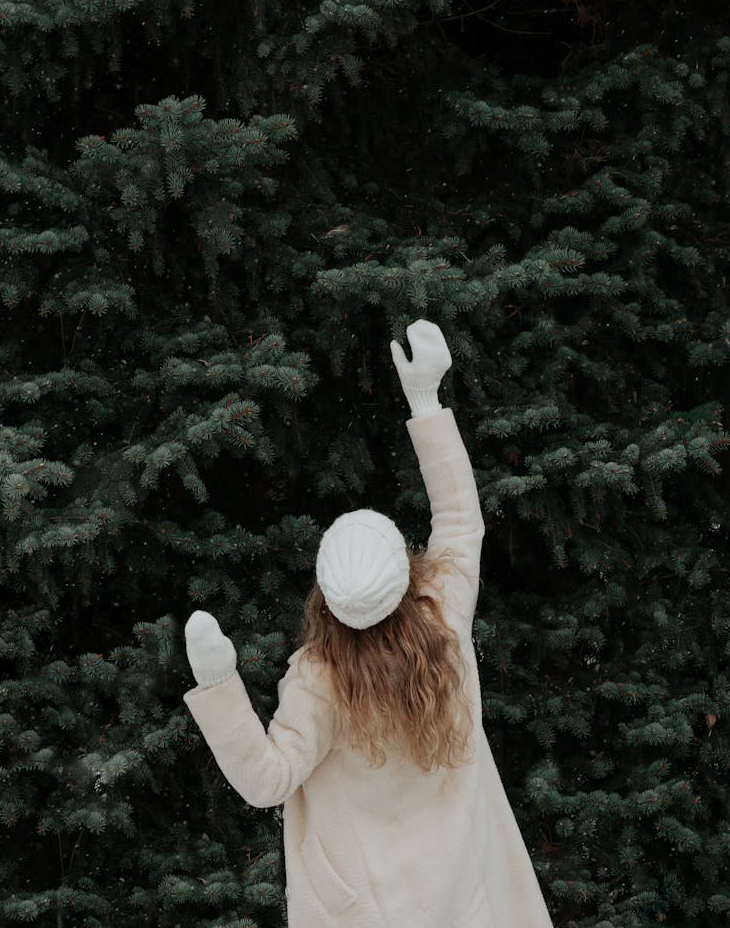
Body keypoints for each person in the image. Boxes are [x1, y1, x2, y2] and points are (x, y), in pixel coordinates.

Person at [183, 319, 554, 927]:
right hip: (464, 896)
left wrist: (221, 686)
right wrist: (427, 402)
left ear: (325, 599)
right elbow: (460, 521)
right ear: (406, 573)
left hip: (366, 910)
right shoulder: (443, 615)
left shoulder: (319, 679)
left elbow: (267, 780)